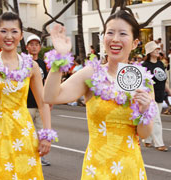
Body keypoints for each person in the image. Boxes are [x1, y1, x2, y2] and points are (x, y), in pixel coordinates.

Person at [44, 10, 156, 179]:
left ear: (135, 43)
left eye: (123, 33)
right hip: (96, 169)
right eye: (110, 32)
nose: (115, 39)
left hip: (129, 169)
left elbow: (144, 134)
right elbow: (51, 97)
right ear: (103, 38)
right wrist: (59, 58)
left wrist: (145, 109)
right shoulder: (91, 74)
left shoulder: (143, 81)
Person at [0, 12, 53, 180]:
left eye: (14, 31)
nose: (9, 36)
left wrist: (46, 135)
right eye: (4, 31)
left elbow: (43, 103)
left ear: (21, 35)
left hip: (24, 131)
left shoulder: (31, 65)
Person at [26, 34, 51, 166]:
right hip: (26, 104)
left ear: (40, 47)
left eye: (37, 44)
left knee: (42, 132)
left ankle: (40, 157)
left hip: (40, 104)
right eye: (31, 44)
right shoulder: (23, 62)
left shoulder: (42, 63)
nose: (34, 47)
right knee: (28, 133)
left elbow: (46, 83)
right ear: (27, 47)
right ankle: (28, 156)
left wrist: (49, 101)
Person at [142, 41, 171, 151]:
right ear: (149, 52)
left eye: (158, 49)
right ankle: (159, 144)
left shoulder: (160, 64)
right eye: (155, 49)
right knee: (156, 120)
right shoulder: (145, 66)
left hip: (160, 95)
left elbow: (164, 80)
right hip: (150, 97)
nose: (158, 51)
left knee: (152, 119)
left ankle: (147, 140)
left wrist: (168, 90)